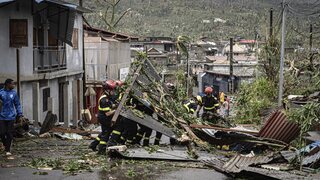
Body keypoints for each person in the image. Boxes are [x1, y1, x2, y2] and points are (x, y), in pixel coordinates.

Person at [89, 80, 116, 155]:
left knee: (104, 132)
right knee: (106, 133)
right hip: (104, 118)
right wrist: (117, 110)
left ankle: (93, 145)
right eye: (112, 90)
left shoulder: (107, 97)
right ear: (107, 90)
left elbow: (110, 106)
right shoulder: (104, 100)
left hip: (104, 117)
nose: (113, 92)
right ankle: (101, 150)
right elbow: (107, 113)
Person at [0, 79, 23, 156]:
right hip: (2, 117)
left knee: (9, 133)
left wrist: (20, 114)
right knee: (2, 133)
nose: (14, 85)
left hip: (11, 117)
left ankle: (7, 150)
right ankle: (5, 144)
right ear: (7, 84)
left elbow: (17, 104)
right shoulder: (1, 92)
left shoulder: (14, 93)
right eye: (12, 84)